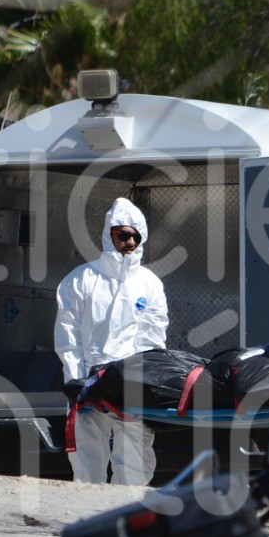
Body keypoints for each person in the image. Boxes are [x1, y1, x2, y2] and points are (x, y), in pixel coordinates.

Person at [55, 197, 169, 484]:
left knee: (135, 461)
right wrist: (76, 379)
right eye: (123, 234)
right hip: (89, 381)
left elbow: (152, 339)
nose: (130, 242)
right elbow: (68, 335)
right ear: (109, 234)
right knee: (86, 459)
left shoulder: (149, 284)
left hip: (130, 384)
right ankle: (89, 509)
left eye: (136, 236)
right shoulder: (80, 279)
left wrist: (143, 382)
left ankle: (126, 510)